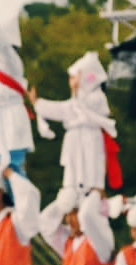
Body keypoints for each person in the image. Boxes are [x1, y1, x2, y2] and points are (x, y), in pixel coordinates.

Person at [29, 50, 123, 194]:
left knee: (91, 177)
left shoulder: (97, 98)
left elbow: (76, 108)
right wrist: (37, 103)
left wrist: (76, 90)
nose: (72, 81)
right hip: (74, 142)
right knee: (72, 179)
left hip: (90, 140)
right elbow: (62, 109)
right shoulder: (75, 101)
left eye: (75, 77)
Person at [0, 4, 43, 176]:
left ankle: (20, 202)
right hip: (0, 119)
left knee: (11, 169)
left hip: (10, 119)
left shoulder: (10, 59)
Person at [39, 188, 115, 265]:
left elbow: (87, 216)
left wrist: (95, 194)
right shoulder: (68, 244)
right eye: (67, 214)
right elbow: (44, 222)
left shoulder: (100, 241)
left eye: (74, 213)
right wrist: (65, 199)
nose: (69, 220)